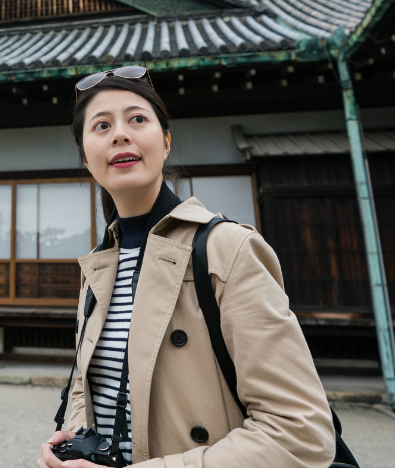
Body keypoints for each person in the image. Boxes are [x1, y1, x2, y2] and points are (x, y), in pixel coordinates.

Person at [38, 66, 336, 468]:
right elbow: (83, 388)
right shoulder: (98, 267)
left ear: (165, 142)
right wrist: (73, 439)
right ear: (86, 157)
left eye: (137, 119)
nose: (120, 134)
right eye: (102, 125)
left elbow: (300, 432)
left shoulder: (226, 249)